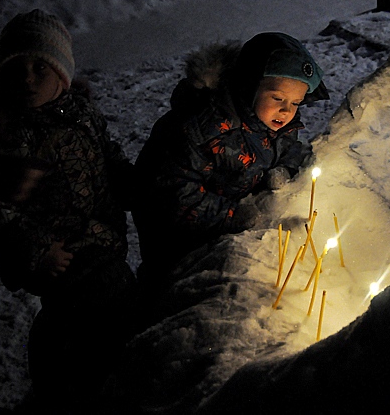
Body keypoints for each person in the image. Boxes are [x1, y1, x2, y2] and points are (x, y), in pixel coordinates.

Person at [0, 9, 137, 413]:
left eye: (41, 67)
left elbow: (109, 157)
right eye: (16, 68)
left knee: (112, 303)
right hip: (57, 252)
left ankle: (99, 382)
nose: (28, 78)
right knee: (74, 317)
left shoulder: (83, 114)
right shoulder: (5, 132)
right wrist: (37, 249)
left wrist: (135, 184)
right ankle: (59, 392)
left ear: (62, 75)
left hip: (100, 235)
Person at [133, 32, 328, 291]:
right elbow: (174, 194)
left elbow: (289, 149)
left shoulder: (273, 122)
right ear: (249, 85)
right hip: (177, 244)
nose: (287, 110)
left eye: (296, 102)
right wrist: (235, 216)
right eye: (278, 98)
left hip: (227, 237)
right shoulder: (203, 128)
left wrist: (284, 170)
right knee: (169, 294)